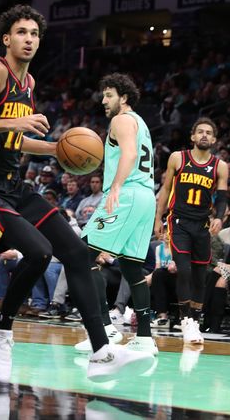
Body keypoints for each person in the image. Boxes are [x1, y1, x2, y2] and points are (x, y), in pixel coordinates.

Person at [0, 6, 153, 383]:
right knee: (38, 252)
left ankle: (101, 351)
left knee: (77, 253)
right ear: (6, 38)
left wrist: (54, 148)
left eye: (34, 33)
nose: (29, 39)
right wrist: (14, 122)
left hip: (15, 186)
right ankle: (0, 329)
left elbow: (15, 140)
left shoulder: (28, 85)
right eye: (21, 32)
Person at [81, 73, 159, 355]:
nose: (103, 100)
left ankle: (105, 329)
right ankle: (145, 337)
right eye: (103, 95)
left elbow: (128, 154)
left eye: (109, 94)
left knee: (82, 256)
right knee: (131, 267)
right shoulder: (141, 122)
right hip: (145, 197)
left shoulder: (121, 120)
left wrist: (114, 187)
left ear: (123, 97)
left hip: (126, 194)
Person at [154, 117, 229, 344]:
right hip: (179, 222)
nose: (204, 135)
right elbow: (166, 189)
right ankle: (186, 320)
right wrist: (158, 218)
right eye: (200, 132)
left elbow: (223, 197)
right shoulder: (178, 158)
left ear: (214, 139)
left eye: (209, 132)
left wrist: (219, 217)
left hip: (202, 225)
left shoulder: (220, 166)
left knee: (199, 275)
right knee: (184, 270)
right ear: (193, 137)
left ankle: (194, 320)